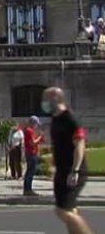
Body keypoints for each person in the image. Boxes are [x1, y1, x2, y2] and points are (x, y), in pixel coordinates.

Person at [43, 87, 94, 234]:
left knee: (62, 211)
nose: (44, 103)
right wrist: (53, 167)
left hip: (72, 172)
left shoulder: (70, 119)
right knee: (70, 210)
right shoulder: (55, 119)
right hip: (62, 172)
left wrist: (75, 170)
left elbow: (80, 144)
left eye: (46, 99)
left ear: (55, 99)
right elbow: (58, 147)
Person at [23, 115, 44, 196]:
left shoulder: (29, 130)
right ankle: (28, 190)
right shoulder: (29, 131)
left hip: (31, 153)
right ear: (33, 123)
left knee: (29, 171)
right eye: (36, 124)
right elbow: (32, 143)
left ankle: (27, 189)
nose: (37, 126)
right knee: (31, 172)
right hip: (31, 153)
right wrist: (40, 137)